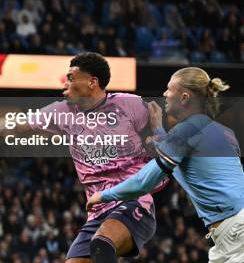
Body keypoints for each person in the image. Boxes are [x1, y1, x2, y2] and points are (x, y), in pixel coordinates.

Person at [0, 52, 160, 262]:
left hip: (133, 202)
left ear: (92, 82)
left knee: (102, 242)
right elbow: (24, 121)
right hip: (98, 213)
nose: (64, 82)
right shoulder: (62, 112)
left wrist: (159, 135)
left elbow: (166, 136)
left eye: (70, 77)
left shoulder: (130, 105)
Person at [87, 67, 244, 262]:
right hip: (232, 233)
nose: (164, 94)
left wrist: (102, 195)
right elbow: (186, 157)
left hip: (236, 232)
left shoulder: (187, 131)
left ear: (184, 97)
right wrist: (159, 129)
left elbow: (144, 182)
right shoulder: (224, 132)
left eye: (169, 89)